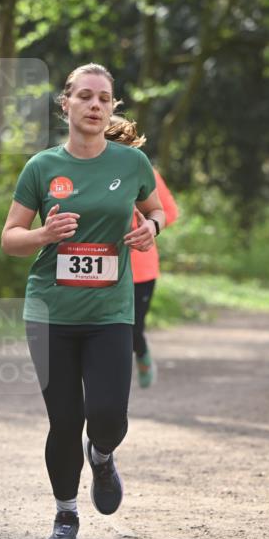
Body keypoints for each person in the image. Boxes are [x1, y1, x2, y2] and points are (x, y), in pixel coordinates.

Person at [1, 63, 165, 539]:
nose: (96, 106)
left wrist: (150, 229)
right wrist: (43, 235)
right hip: (50, 311)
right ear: (66, 104)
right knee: (64, 419)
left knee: (109, 413)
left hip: (110, 311)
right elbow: (9, 239)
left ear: (112, 107)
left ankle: (104, 452)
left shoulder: (132, 164)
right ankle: (66, 513)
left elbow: (156, 210)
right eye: (86, 97)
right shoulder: (41, 167)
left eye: (105, 98)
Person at [106, 116, 179, 387]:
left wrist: (148, 226)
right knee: (107, 331)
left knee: (133, 329)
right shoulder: (87, 171)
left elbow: (168, 213)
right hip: (103, 266)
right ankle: (110, 385)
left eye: (123, 144)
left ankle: (142, 351)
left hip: (140, 268)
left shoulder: (144, 171)